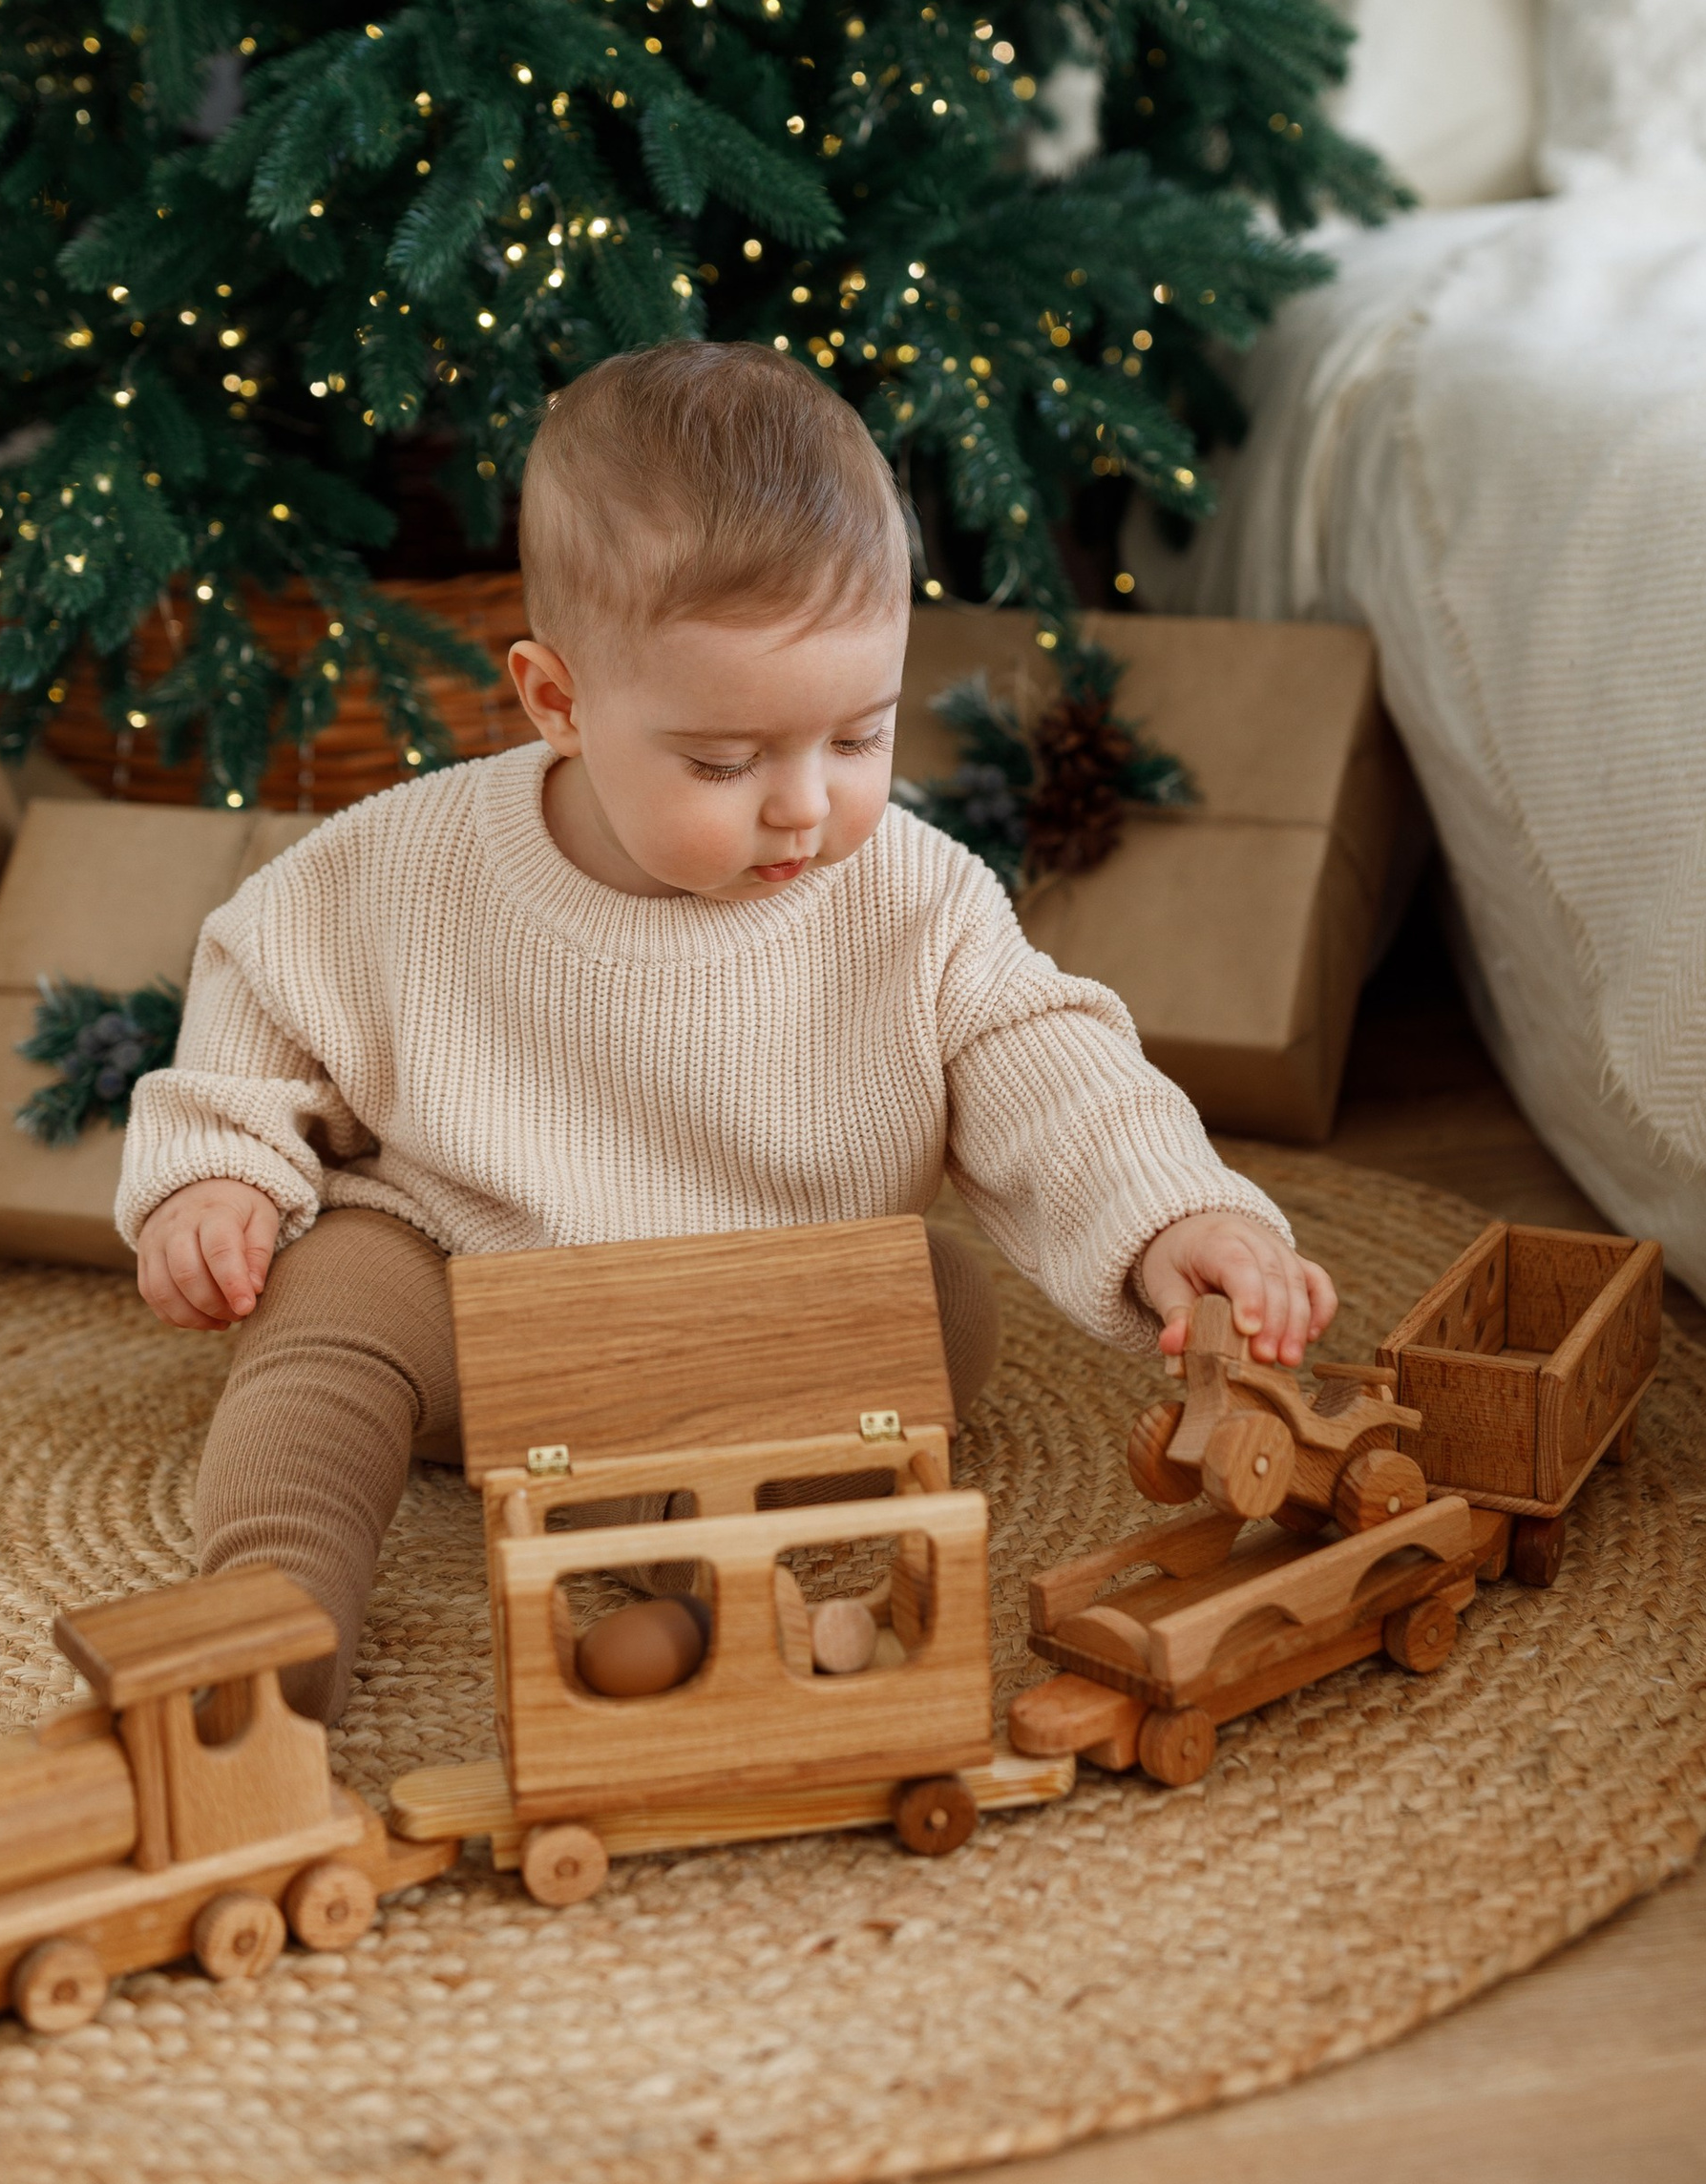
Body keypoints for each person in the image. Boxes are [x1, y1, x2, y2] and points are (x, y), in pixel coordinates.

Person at [118, 340, 1333, 1717]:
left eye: (860, 738)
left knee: (943, 1313)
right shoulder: (405, 865)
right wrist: (219, 1172)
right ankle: (271, 1620)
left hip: (760, 1315)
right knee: (327, 1311)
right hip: (467, 1288)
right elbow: (262, 987)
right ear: (558, 701)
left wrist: (1176, 1217)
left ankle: (669, 1548)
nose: (804, 807)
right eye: (723, 761)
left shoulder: (912, 898)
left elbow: (1046, 1070)